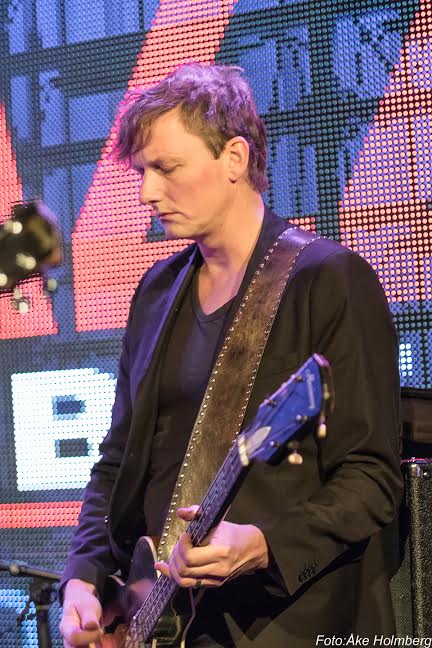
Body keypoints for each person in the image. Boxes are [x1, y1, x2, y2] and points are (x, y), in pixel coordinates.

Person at [59, 63, 403, 648]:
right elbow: (116, 462)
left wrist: (266, 545)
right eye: (142, 172)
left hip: (286, 624)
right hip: (162, 620)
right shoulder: (157, 291)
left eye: (167, 168)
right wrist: (84, 579)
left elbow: (373, 478)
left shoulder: (328, 280)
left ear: (235, 158)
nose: (147, 193)